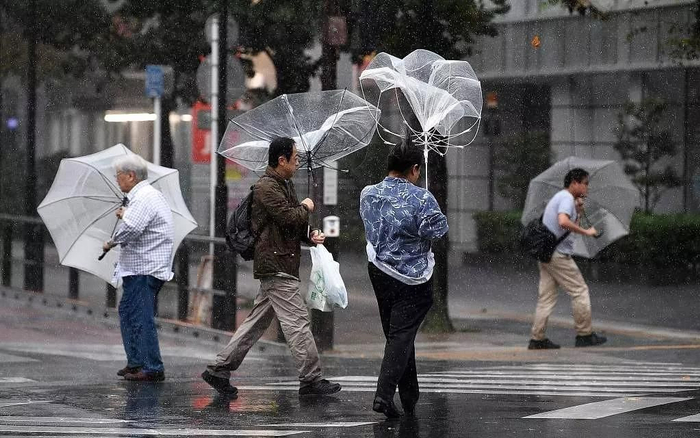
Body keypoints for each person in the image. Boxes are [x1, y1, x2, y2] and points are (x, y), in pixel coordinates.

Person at [201, 137, 341, 397]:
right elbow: (289, 217)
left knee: (255, 323)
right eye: (295, 158)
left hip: (280, 261)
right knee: (298, 321)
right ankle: (311, 379)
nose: (297, 163)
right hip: (276, 263)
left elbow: (290, 224)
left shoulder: (284, 185)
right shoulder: (266, 187)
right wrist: (306, 206)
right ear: (281, 160)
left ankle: (219, 369)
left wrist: (309, 234)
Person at [359, 138, 449, 418]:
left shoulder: (368, 194)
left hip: (379, 271)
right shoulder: (422, 198)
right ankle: (384, 395)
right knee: (401, 335)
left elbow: (373, 226)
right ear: (414, 169)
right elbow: (438, 230)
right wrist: (428, 205)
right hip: (414, 279)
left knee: (397, 333)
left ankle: (410, 395)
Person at [102, 154, 174, 382]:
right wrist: (126, 215)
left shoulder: (143, 197)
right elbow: (135, 224)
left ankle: (152, 367)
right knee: (128, 312)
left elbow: (132, 228)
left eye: (118, 175)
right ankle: (136, 361)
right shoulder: (141, 197)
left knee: (141, 316)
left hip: (145, 267)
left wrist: (111, 241)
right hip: (138, 267)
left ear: (131, 176)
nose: (117, 180)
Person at [528, 168, 607, 350]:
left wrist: (577, 211)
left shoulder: (564, 198)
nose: (587, 187)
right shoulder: (565, 198)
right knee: (580, 291)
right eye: (585, 183)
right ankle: (584, 335)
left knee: (546, 298)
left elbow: (567, 229)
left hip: (547, 254)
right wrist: (586, 231)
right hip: (558, 256)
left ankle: (537, 339)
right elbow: (563, 222)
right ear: (574, 183)